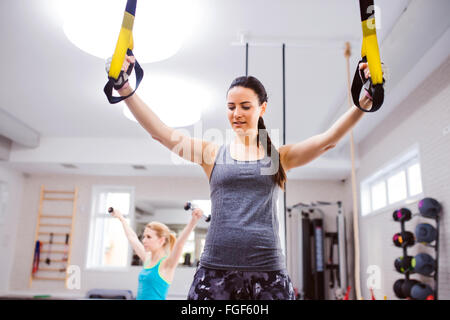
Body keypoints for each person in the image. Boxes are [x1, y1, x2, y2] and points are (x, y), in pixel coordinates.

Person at [105, 56, 376, 300]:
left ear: (262, 108)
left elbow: (326, 142)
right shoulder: (211, 153)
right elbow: (162, 133)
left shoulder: (278, 157)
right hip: (215, 272)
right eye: (231, 106)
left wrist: (364, 101)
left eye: (245, 106)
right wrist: (125, 88)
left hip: (268, 272)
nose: (236, 114)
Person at [108, 206, 204, 300]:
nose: (144, 240)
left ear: (161, 240)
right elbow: (132, 237)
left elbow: (179, 244)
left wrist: (193, 221)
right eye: (144, 236)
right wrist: (121, 218)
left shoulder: (167, 264)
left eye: (149, 237)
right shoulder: (147, 258)